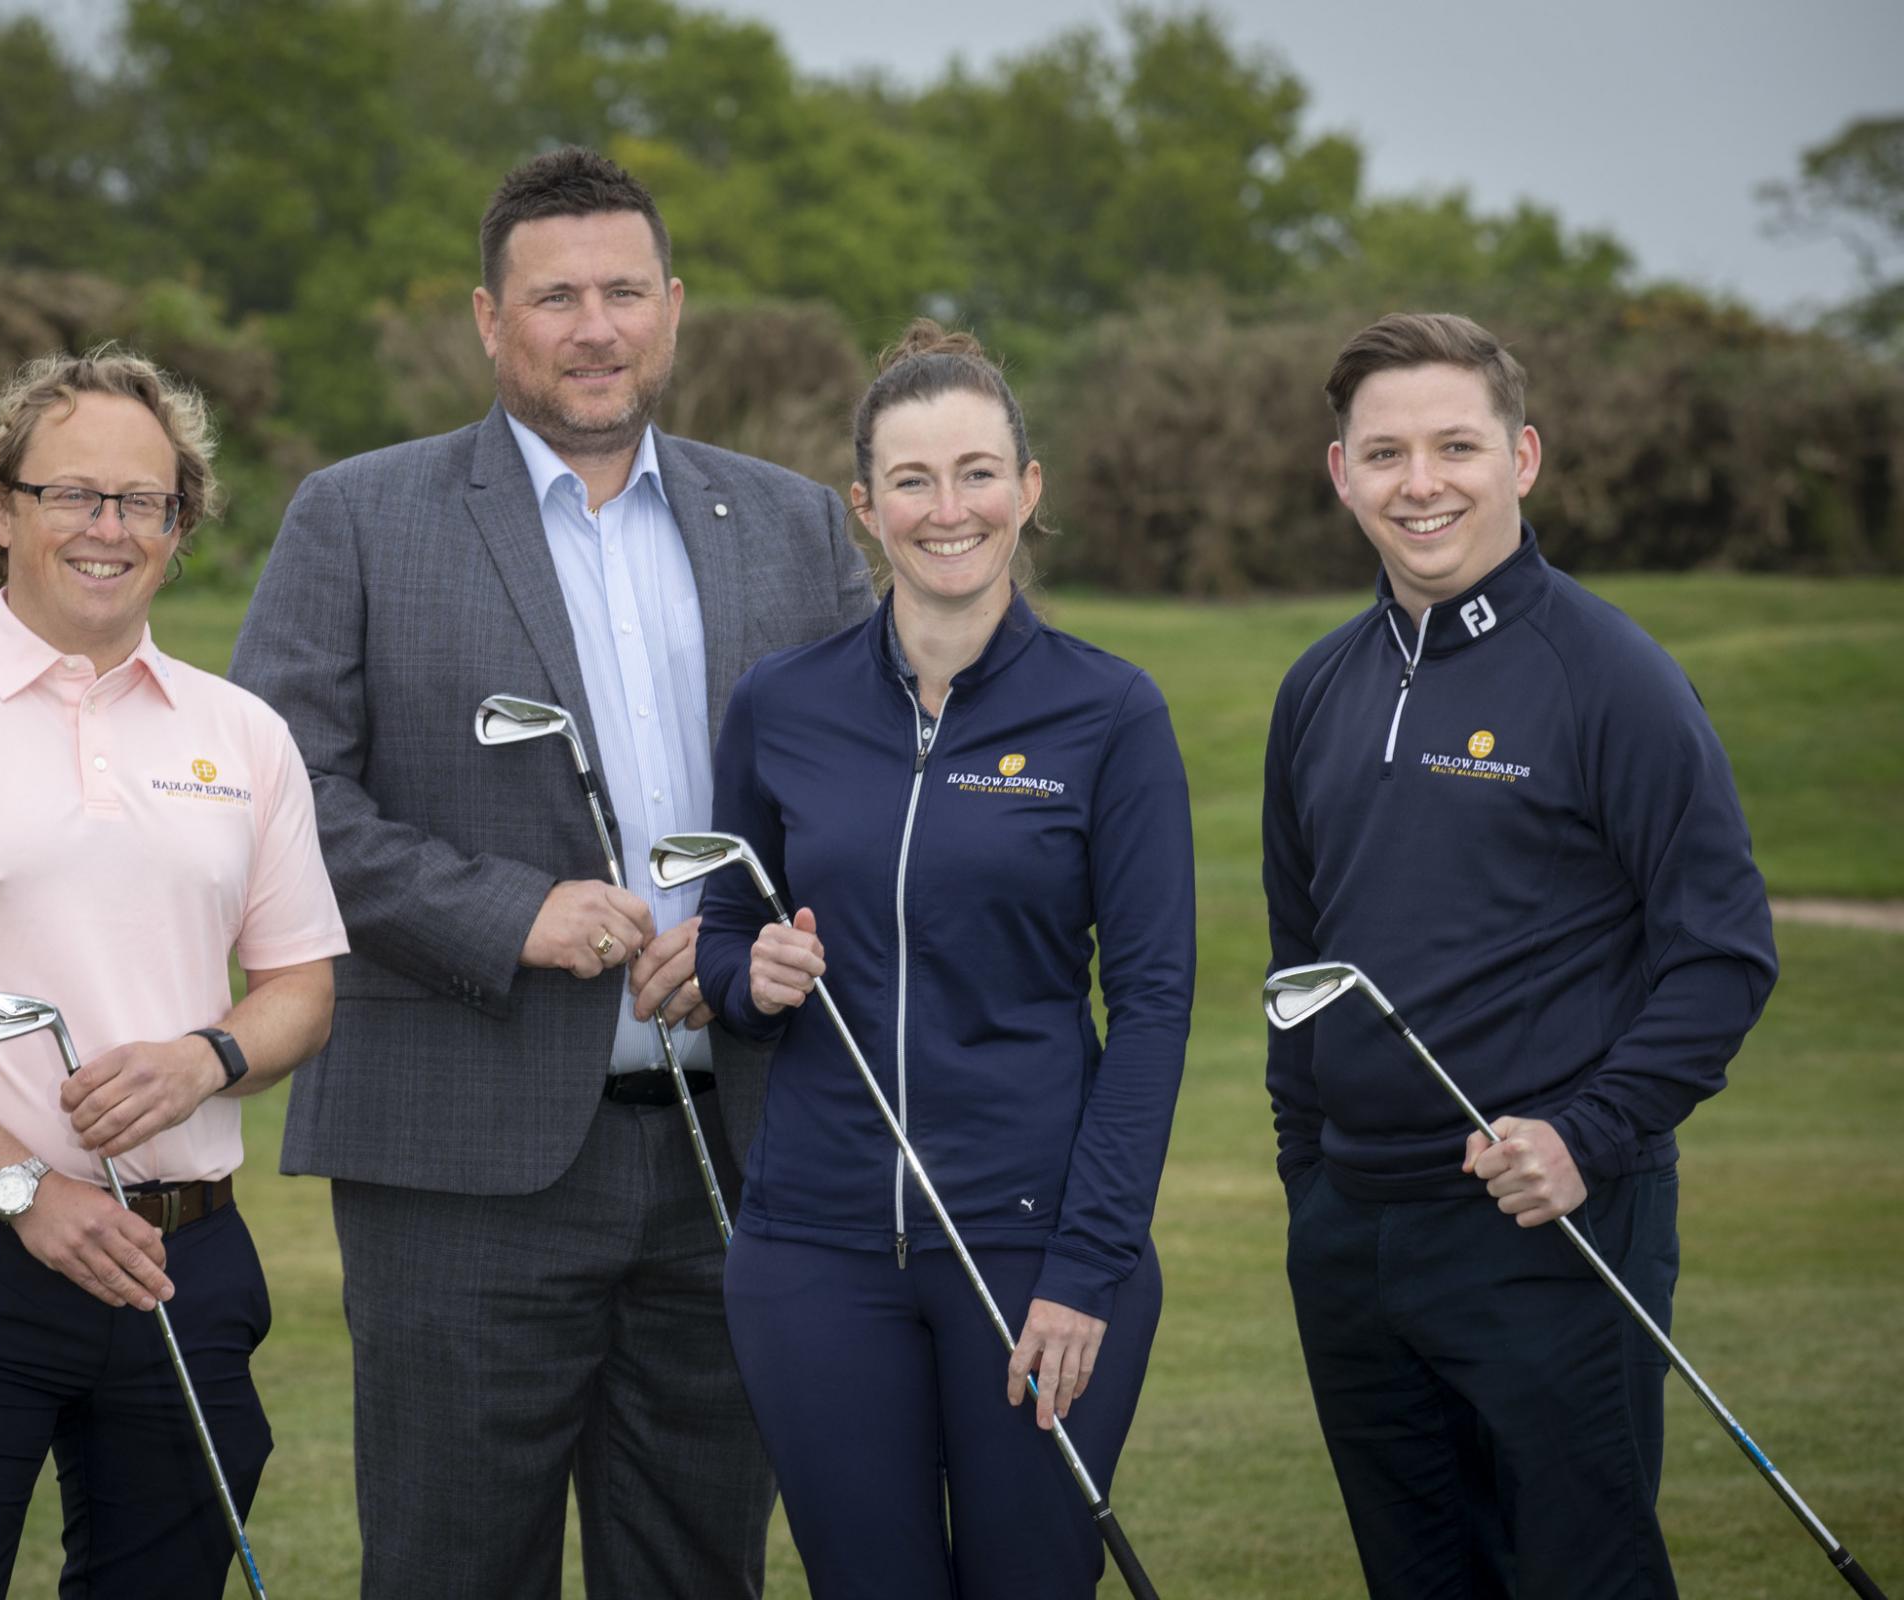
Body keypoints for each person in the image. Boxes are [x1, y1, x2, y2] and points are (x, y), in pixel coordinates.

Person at [228, 146, 872, 1599]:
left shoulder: (787, 523)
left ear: (675, 307)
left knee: (699, 1567)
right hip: (460, 1156)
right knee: (456, 1565)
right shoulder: (358, 515)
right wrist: (508, 913)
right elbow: (278, 795)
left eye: (625, 292)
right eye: (557, 296)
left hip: (743, 1147)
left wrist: (740, 938)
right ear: (487, 319)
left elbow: (865, 802)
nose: (597, 327)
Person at [0, 348, 349, 1597]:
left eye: (144, 502)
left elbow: (301, 987)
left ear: (179, 524)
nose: (111, 529)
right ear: (2, 509)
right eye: (75, 495)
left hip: (185, 1263)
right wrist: (26, 1192)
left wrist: (203, 1056)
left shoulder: (242, 734)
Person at [1263, 311, 1779, 1598]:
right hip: (1356, 1239)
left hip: (1552, 1226)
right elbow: (1298, 967)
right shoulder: (1318, 687)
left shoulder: (1611, 675)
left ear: (1524, 457)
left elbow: (1723, 953)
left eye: (1456, 446)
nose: (1420, 482)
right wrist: (1310, 1187)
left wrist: (1586, 1135)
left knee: (1579, 1575)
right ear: (1342, 473)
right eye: (1384, 453)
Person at [691, 320, 1196, 1600]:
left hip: (1033, 1253)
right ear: (865, 507)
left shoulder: (1110, 712)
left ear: (1030, 491)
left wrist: (1087, 1271)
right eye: (910, 480)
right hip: (812, 1250)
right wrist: (746, 978)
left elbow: (1150, 1004)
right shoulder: (780, 704)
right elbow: (720, 932)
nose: (947, 508)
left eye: (978, 472)